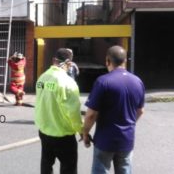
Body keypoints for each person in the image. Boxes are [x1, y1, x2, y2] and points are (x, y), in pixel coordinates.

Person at [82, 45, 145, 174]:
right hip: (127, 139)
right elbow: (140, 111)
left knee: (101, 169)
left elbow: (91, 115)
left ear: (107, 61)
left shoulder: (103, 82)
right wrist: (128, 124)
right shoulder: (138, 81)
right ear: (125, 61)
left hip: (105, 140)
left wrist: (85, 133)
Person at [35, 48, 83, 174]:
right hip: (63, 135)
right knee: (68, 168)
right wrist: (81, 130)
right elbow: (73, 112)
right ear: (68, 63)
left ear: (53, 60)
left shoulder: (42, 78)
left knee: (46, 165)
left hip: (44, 131)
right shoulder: (68, 83)